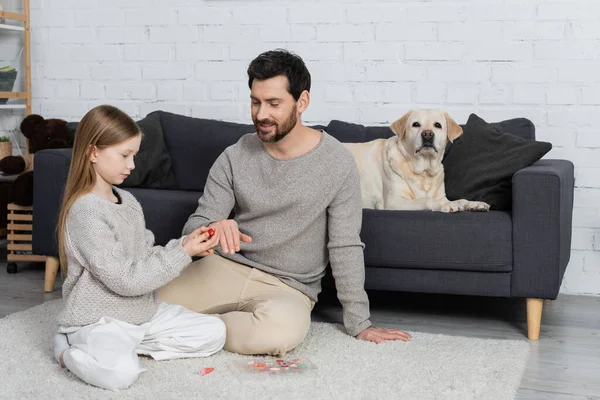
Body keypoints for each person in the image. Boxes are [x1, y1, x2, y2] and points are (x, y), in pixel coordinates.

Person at [158, 49, 412, 356]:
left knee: (277, 336)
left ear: (301, 102)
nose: (261, 113)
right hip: (223, 268)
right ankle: (185, 325)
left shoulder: (336, 162)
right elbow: (194, 227)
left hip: (288, 287)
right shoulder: (234, 156)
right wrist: (213, 227)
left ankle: (188, 327)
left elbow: (345, 245)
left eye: (274, 103)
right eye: (255, 101)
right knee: (143, 304)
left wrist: (359, 322)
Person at [52, 105, 226, 391]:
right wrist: (183, 254)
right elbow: (126, 279)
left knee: (215, 333)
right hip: (102, 320)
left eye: (133, 155)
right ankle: (65, 348)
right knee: (120, 375)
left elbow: (145, 257)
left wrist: (185, 245)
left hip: (143, 314)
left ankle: (129, 345)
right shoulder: (85, 212)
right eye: (124, 155)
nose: (131, 165)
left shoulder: (129, 201)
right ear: (93, 152)